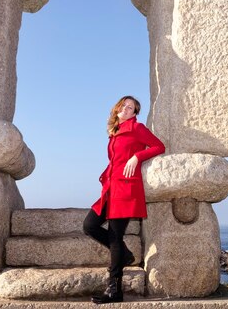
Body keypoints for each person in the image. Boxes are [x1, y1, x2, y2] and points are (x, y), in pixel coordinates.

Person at [83, 95, 165, 304]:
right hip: (111, 188)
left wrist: (137, 157)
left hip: (127, 189)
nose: (128, 110)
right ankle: (126, 255)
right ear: (117, 107)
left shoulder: (136, 128)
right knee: (89, 225)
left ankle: (114, 290)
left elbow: (159, 146)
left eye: (133, 108)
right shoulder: (115, 131)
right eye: (125, 106)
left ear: (135, 114)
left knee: (114, 236)